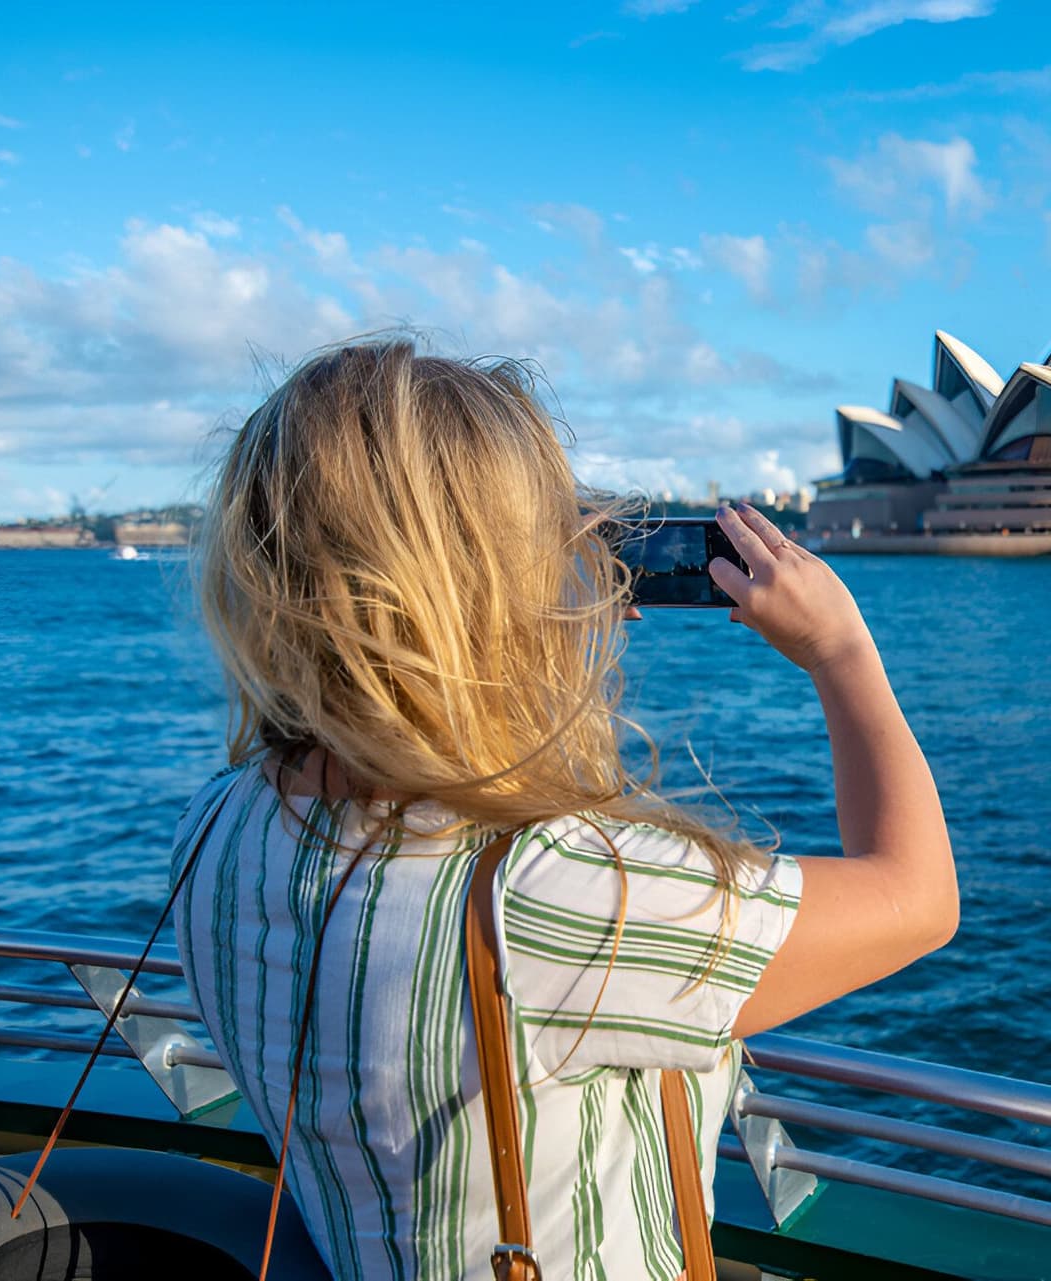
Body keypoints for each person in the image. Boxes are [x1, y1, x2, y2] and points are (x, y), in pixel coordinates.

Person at [173, 341, 957, 1281]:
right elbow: (918, 897)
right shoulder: (549, 897)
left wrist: (534, 630)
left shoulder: (215, 827)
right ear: (492, 591)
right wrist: (842, 650)